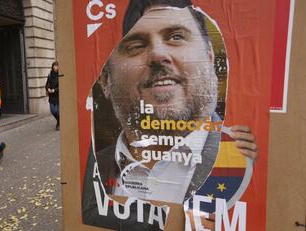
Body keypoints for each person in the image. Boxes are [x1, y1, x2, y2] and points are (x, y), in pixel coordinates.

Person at [82, 0, 258, 230]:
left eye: (176, 37)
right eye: (136, 45)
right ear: (106, 80)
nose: (158, 54)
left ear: (210, 58)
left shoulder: (242, 154)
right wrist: (176, 221)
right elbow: (88, 213)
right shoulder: (97, 155)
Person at [45, 61, 60, 130]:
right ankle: (59, 121)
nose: (55, 67)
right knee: (53, 111)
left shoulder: (59, 75)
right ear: (52, 66)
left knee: (57, 111)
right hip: (51, 96)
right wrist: (48, 89)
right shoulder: (50, 75)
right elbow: (46, 84)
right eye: (54, 66)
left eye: (57, 66)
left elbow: (61, 86)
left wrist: (55, 90)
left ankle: (59, 123)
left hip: (58, 96)